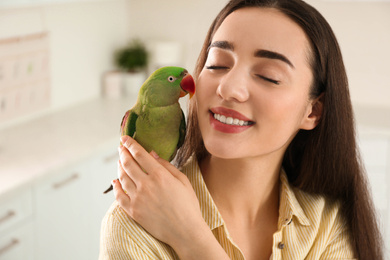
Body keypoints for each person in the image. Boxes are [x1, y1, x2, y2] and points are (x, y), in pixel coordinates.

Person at [99, 0, 384, 259]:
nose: (228, 88)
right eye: (217, 64)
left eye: (268, 76)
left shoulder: (328, 224)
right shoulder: (132, 228)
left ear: (313, 111)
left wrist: (193, 240)